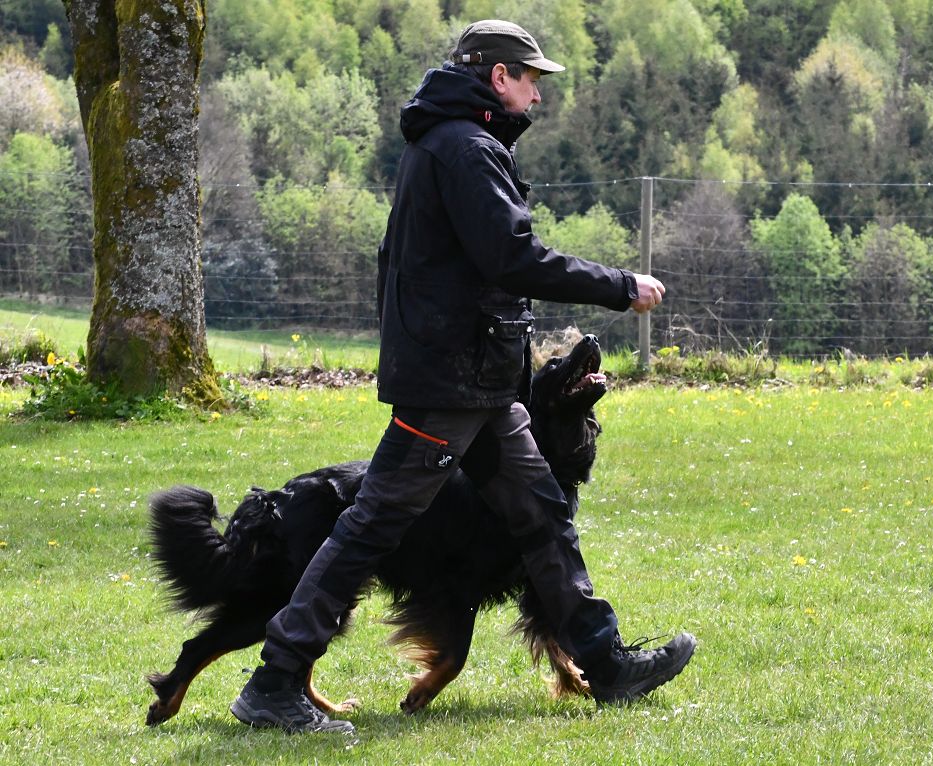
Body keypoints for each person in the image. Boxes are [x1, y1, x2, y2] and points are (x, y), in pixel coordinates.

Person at [231, 19, 696, 734]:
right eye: (531, 79)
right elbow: (511, 257)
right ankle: (275, 680)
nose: (537, 97)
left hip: (479, 379)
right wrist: (617, 285)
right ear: (496, 76)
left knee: (542, 514)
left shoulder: (451, 142)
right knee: (372, 527)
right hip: (449, 382)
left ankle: (605, 665)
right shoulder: (463, 149)